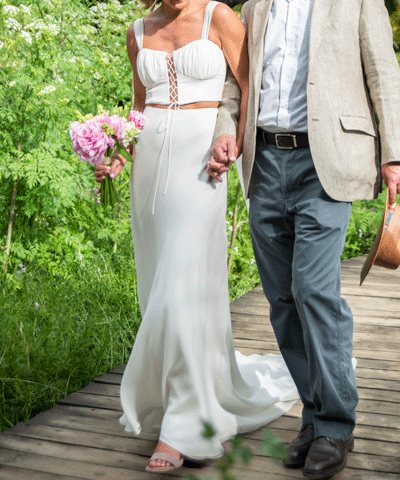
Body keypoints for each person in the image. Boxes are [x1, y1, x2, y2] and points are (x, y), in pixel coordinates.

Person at [95, 0, 299, 473]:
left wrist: (237, 147)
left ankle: (185, 427)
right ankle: (179, 397)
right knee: (157, 288)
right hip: (149, 170)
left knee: (180, 288)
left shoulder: (220, 17)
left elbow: (250, 90)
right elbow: (139, 106)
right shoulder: (137, 30)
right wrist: (117, 151)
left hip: (202, 164)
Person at [208, 0, 400, 479]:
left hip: (325, 164)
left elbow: (383, 73)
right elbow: (237, 83)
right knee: (281, 299)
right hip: (265, 162)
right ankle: (314, 418)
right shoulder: (253, 8)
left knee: (313, 289)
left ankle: (336, 425)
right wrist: (225, 129)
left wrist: (395, 155)